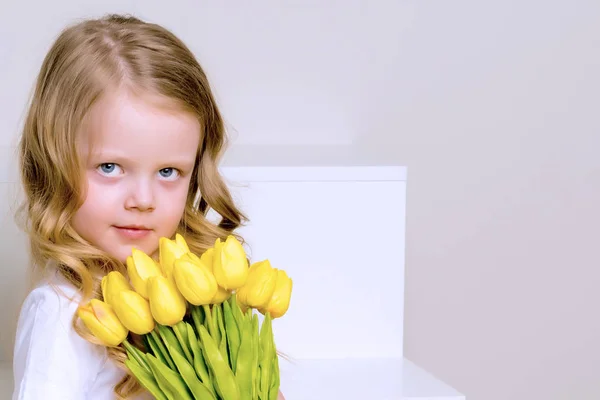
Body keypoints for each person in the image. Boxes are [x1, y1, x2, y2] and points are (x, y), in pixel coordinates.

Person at [11, 13, 285, 400]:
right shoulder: (61, 314)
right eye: (110, 167)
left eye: (169, 171)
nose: (142, 200)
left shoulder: (200, 289)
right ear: (54, 163)